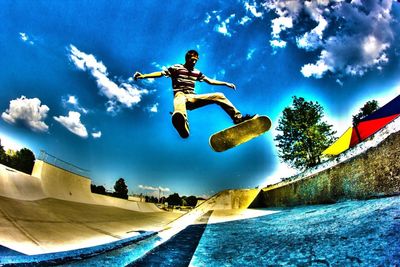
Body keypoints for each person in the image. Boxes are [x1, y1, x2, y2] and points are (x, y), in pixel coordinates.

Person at [134, 50, 255, 138]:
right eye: (192, 60)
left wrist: (225, 83)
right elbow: (161, 73)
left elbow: (210, 80)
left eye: (196, 61)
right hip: (180, 96)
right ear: (187, 59)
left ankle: (238, 119)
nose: (194, 63)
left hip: (193, 98)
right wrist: (143, 76)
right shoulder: (177, 67)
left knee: (219, 95)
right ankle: (182, 123)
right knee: (179, 97)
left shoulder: (196, 72)